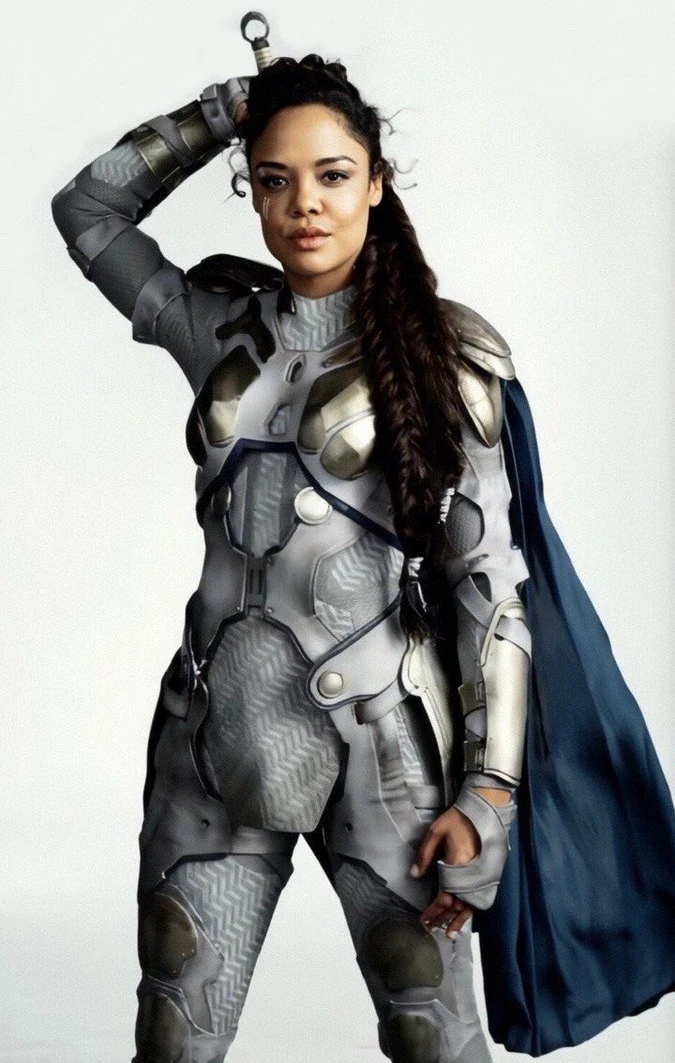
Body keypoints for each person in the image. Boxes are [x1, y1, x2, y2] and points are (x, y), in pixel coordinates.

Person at [51, 44, 675, 1063]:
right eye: (274, 178)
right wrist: (218, 113)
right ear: (251, 191)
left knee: (435, 1037)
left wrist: (487, 794)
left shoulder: (443, 357)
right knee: (175, 1033)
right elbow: (88, 212)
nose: (305, 203)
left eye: (333, 174)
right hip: (211, 739)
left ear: (377, 184)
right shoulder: (218, 328)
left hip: (378, 750)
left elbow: (488, 590)